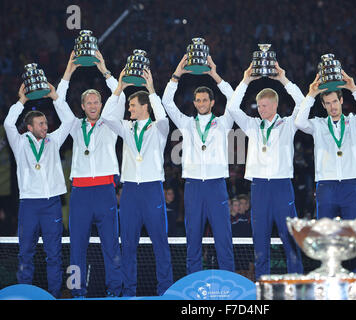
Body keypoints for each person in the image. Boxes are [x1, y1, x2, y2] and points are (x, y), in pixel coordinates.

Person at [53, 51, 123, 298]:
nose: (93, 105)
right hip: (81, 193)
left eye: (96, 102)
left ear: (101, 105)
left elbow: (121, 96)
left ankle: (115, 291)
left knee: (111, 245)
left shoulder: (111, 124)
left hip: (105, 191)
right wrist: (69, 72)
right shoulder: (73, 126)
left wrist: (105, 70)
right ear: (82, 107)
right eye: (88, 103)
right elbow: (57, 101)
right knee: (77, 247)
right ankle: (77, 293)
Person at [227, 62, 304, 280]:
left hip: (282, 187)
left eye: (264, 106)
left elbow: (303, 102)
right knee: (260, 241)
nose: (260, 109)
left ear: (275, 106)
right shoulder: (252, 125)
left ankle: (297, 284)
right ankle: (262, 286)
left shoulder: (289, 125)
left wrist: (283, 79)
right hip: (259, 187)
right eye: (258, 106)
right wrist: (245, 80)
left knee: (290, 239)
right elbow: (233, 108)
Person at [101, 68, 173, 296]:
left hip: (153, 190)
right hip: (130, 191)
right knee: (128, 245)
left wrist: (151, 90)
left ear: (145, 107)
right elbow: (106, 117)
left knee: (160, 243)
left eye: (132, 105)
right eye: (128, 105)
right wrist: (119, 88)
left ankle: (165, 291)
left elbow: (163, 117)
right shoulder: (126, 127)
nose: (129, 109)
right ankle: (128, 292)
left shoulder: (159, 129)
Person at [294, 71, 356, 272]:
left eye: (334, 102)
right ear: (323, 105)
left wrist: (353, 88)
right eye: (327, 103)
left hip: (351, 185)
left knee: (355, 239)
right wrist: (311, 95)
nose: (332, 107)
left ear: (341, 100)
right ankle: (329, 281)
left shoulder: (355, 122)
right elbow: (299, 122)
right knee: (327, 240)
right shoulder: (318, 125)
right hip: (326, 187)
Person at [161, 55, 235, 274]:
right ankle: (192, 281)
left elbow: (234, 100)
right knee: (193, 236)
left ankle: (229, 282)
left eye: (205, 100)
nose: (201, 103)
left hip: (216, 186)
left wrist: (214, 74)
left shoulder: (223, 123)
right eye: (198, 100)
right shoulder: (186, 123)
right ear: (194, 102)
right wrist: (177, 74)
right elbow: (166, 102)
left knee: (223, 236)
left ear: (212, 102)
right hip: (193, 186)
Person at [4, 82, 73, 298]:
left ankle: (53, 294)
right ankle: (25, 293)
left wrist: (55, 97)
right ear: (30, 127)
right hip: (29, 205)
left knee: (54, 254)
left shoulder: (53, 140)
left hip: (52, 203)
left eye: (46, 123)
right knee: (26, 253)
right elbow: (8, 123)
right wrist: (21, 101)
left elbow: (69, 120)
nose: (46, 126)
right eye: (41, 124)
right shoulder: (20, 143)